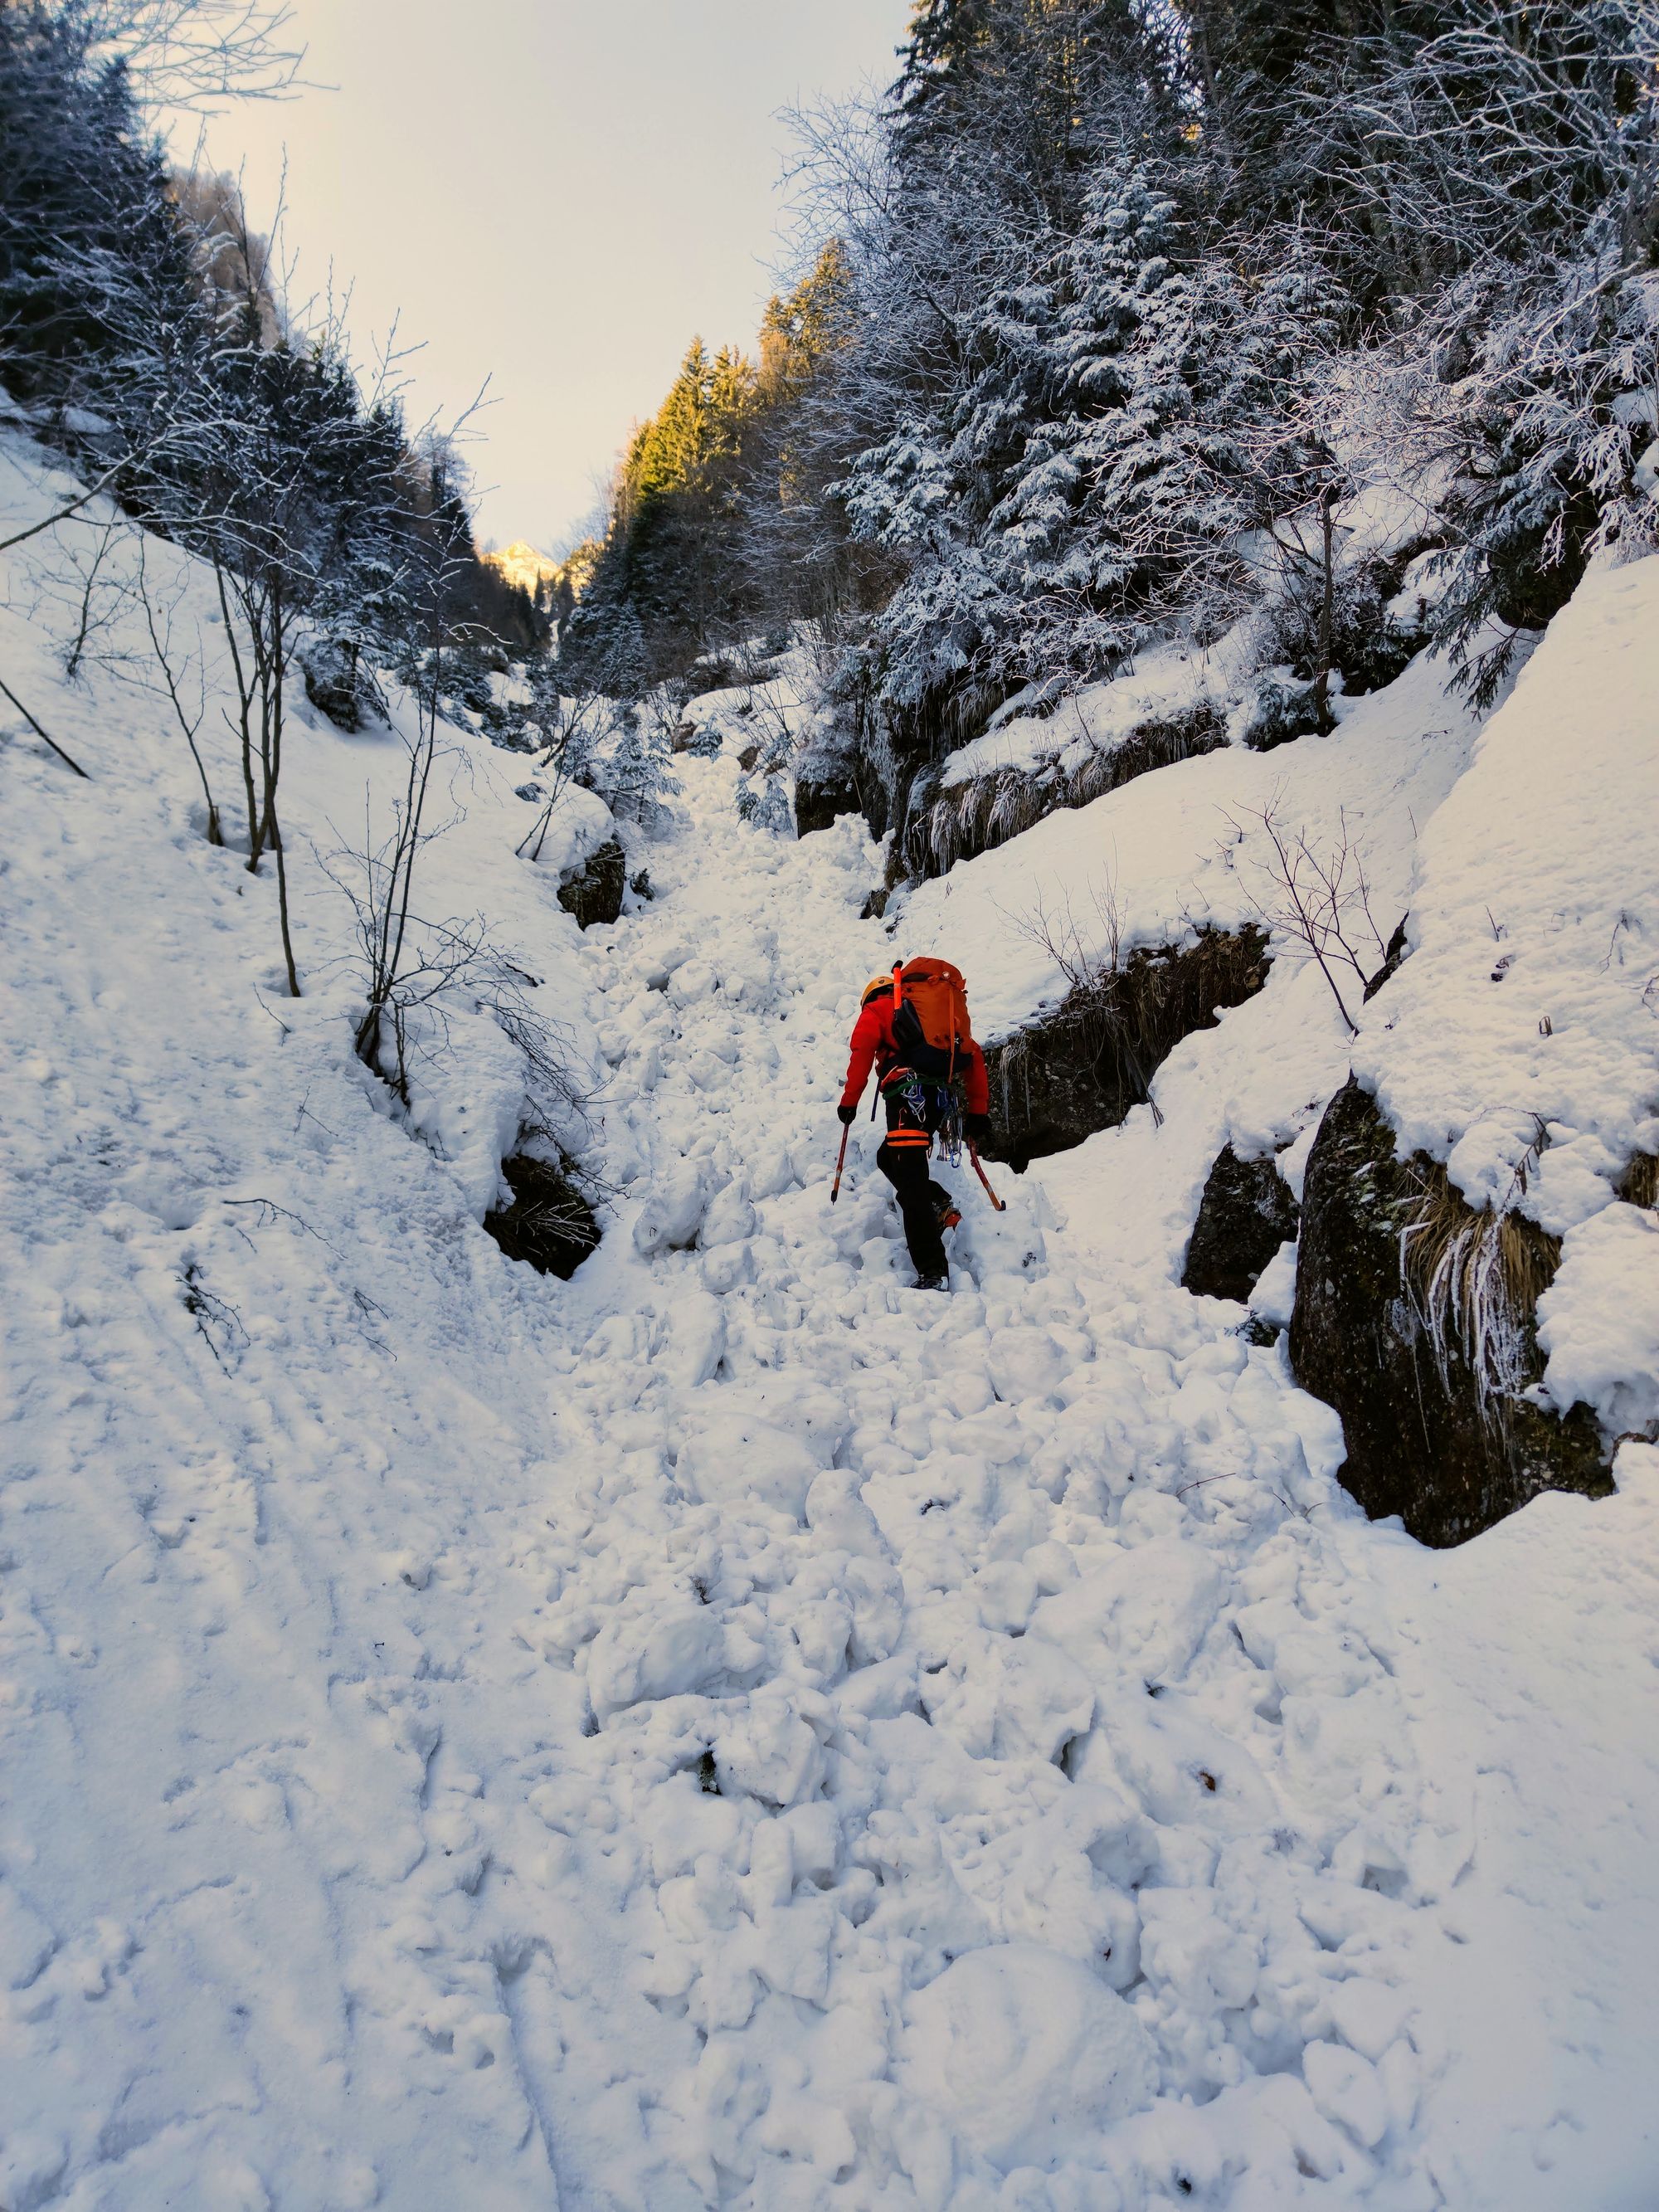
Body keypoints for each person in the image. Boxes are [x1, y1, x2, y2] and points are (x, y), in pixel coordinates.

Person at [838, 957, 992, 1289]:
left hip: (909, 1097)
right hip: (937, 1101)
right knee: (887, 1157)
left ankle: (933, 1271)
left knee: (910, 1178)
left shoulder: (879, 1011)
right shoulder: (935, 1022)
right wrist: (978, 1112)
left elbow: (861, 1053)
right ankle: (935, 1201)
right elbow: (974, 1056)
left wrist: (848, 1103)